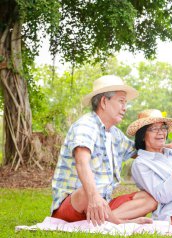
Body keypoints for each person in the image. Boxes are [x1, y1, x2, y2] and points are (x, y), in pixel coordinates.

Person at [51, 75, 157, 226]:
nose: (125, 108)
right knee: (85, 192)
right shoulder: (85, 126)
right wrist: (93, 197)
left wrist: (171, 147)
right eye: (121, 101)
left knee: (149, 199)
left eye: (125, 103)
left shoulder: (115, 134)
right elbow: (82, 163)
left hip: (102, 204)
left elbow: (142, 151)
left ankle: (107, 219)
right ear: (104, 102)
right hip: (76, 205)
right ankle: (118, 223)